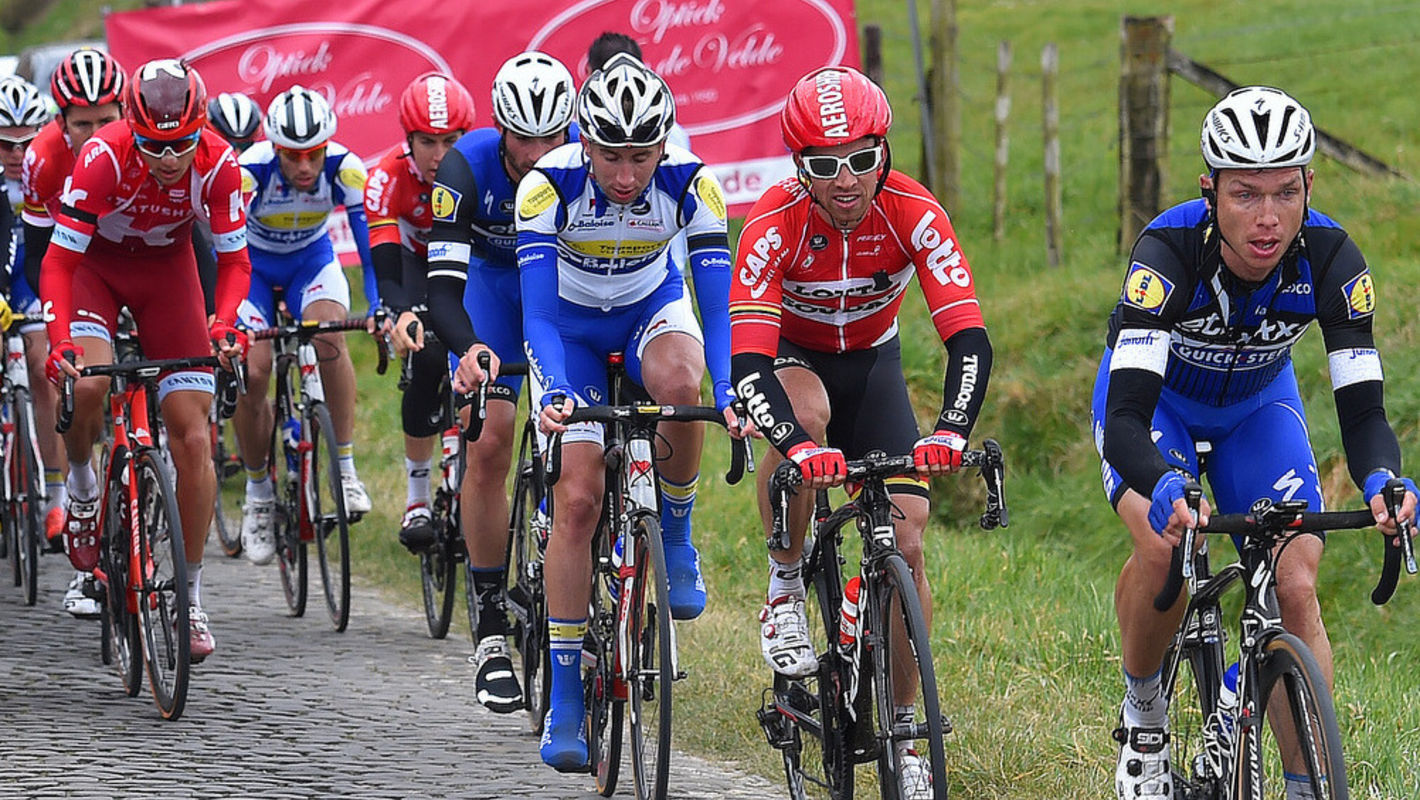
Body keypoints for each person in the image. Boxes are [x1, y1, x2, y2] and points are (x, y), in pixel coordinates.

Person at [1096, 86, 1419, 800]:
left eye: (1285, 192)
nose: (1267, 217)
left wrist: (1382, 480)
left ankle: (1306, 785)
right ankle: (1145, 719)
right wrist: (1165, 482)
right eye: (1245, 194)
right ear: (1209, 192)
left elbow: (1364, 413)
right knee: (1165, 549)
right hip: (1158, 408)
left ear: (1310, 187)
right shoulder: (1166, 253)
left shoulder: (1333, 261)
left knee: (1295, 583)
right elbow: (1125, 418)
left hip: (1257, 408)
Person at [729, 65, 992, 800]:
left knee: (908, 539)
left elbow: (969, 340)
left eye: (861, 160)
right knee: (806, 414)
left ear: (885, 152)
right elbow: (748, 366)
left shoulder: (913, 210)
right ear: (798, 167)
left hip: (875, 366)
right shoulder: (772, 223)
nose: (845, 181)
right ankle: (786, 585)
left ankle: (906, 733)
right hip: (794, 362)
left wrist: (951, 429)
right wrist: (798, 448)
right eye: (824, 165)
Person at [522, 53, 739, 770]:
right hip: (570, 330)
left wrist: (730, 389)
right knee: (579, 499)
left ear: (663, 145)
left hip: (650, 306)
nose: (624, 175)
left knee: (683, 382)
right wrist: (557, 387)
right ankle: (566, 696)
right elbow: (538, 314)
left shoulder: (692, 184)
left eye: (641, 157)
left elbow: (716, 305)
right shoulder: (545, 186)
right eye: (610, 156)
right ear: (584, 142)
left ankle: (674, 535)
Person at [41, 58, 250, 661]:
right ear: (132, 129)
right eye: (154, 145)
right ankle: (83, 489)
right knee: (86, 385)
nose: (168, 158)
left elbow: (234, 263)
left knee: (193, 434)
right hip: (96, 270)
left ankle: (189, 595)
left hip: (167, 273)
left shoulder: (219, 163)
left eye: (181, 143)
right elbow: (58, 262)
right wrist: (59, 340)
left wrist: (223, 321)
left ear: (200, 131)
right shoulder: (102, 156)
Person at [425, 51, 576, 715]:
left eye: (552, 137)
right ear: (499, 128)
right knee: (490, 439)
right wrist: (469, 349)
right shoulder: (465, 166)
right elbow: (443, 289)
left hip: (559, 292)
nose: (538, 154)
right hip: (489, 293)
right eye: (523, 139)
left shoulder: (588, 161)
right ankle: (489, 623)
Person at [233, 85, 374, 564]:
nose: (305, 166)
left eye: (314, 153)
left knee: (330, 337)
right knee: (253, 371)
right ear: (274, 148)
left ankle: (346, 469)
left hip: (309, 262)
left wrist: (378, 306)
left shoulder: (345, 168)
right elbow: (223, 246)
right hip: (252, 268)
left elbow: (369, 250)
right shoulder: (249, 171)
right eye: (292, 156)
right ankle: (257, 494)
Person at [20, 48, 126, 618]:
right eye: (82, 124)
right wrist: (55, 323)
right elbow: (42, 257)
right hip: (79, 270)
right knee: (85, 386)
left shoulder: (146, 147)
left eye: (106, 120)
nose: (95, 134)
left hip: (144, 266)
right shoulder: (42, 160)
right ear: (60, 122)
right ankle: (80, 488)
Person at [358, 71, 474, 567]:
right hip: (413, 267)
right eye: (428, 142)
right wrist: (398, 311)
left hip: (465, 265)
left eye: (451, 141)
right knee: (426, 357)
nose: (440, 155)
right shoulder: (386, 178)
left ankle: (465, 460)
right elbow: (385, 266)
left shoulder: (478, 170)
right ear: (408, 140)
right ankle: (417, 499)